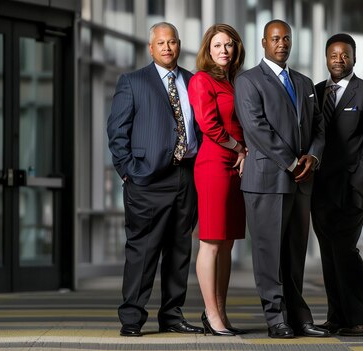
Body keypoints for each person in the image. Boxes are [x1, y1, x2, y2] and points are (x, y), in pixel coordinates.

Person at [107, 22, 203, 337]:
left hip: (186, 177)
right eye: (160, 43)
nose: (167, 48)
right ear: (151, 48)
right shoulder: (133, 82)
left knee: (179, 252)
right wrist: (128, 172)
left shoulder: (192, 81)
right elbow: (117, 132)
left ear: (178, 45)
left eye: (172, 42)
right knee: (143, 251)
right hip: (147, 181)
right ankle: (132, 319)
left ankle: (172, 316)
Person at [234, 19, 328, 339]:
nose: (282, 44)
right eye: (275, 39)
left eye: (286, 38)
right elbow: (256, 129)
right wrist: (291, 162)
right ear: (263, 43)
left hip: (302, 181)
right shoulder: (248, 81)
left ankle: (299, 316)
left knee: (294, 253)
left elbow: (318, 127)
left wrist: (312, 157)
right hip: (267, 180)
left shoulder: (304, 82)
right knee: (268, 253)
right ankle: (276, 319)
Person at [311, 33, 363, 337]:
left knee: (344, 250)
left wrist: (359, 182)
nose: (339, 60)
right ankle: (338, 316)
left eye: (345, 55)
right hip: (319, 190)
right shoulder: (314, 93)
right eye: (333, 55)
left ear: (354, 58)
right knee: (329, 253)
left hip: (353, 188)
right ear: (326, 58)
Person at [187, 23, 246, 337]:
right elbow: (209, 124)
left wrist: (244, 153)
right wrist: (239, 148)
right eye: (218, 46)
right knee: (211, 241)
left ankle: (221, 310)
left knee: (227, 243)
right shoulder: (201, 80)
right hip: (214, 162)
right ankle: (210, 312)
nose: (224, 51)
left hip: (238, 164)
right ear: (208, 51)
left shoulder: (237, 81)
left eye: (229, 45)